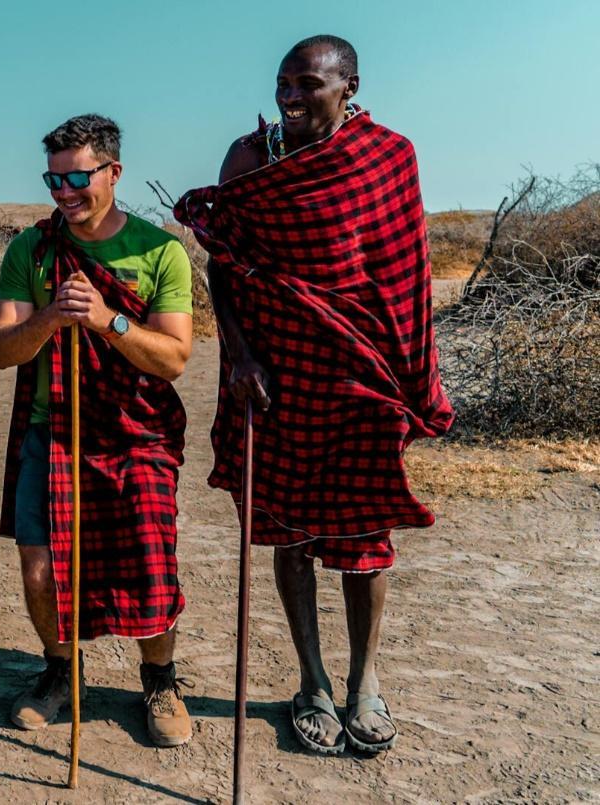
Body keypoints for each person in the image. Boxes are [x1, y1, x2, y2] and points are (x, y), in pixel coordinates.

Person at [174, 35, 453, 755]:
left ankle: (366, 682)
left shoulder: (389, 156)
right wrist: (236, 351)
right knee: (289, 528)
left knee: (365, 532)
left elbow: (405, 273)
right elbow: (224, 264)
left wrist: (411, 374)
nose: (290, 97)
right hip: (277, 369)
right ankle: (312, 682)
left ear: (349, 86)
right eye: (282, 83)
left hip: (363, 374)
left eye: (308, 84)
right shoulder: (251, 158)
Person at [0, 114, 196, 747]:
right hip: (51, 430)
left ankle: (160, 680)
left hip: (134, 435)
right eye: (54, 179)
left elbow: (175, 359)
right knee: (39, 572)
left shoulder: (162, 252)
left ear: (113, 172)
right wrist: (52, 315)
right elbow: (1, 350)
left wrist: (109, 320)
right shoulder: (32, 250)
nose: (64, 191)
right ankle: (59, 672)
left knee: (149, 566)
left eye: (78, 177)